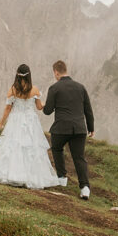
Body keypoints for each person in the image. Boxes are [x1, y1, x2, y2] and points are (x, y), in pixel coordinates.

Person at [0, 64, 63, 189]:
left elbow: (8, 108)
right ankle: (31, 176)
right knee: (31, 148)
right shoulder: (35, 90)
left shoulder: (13, 90)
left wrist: (1, 123)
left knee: (14, 146)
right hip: (30, 121)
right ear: (29, 75)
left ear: (17, 75)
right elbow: (39, 107)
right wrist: (45, 103)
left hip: (15, 120)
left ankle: (13, 174)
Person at [43, 60, 94, 199]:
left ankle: (61, 177)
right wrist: (91, 128)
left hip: (61, 128)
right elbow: (88, 110)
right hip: (79, 128)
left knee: (57, 148)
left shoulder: (54, 88)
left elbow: (47, 111)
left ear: (56, 72)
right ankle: (84, 188)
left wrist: (43, 104)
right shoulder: (81, 87)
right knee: (79, 157)